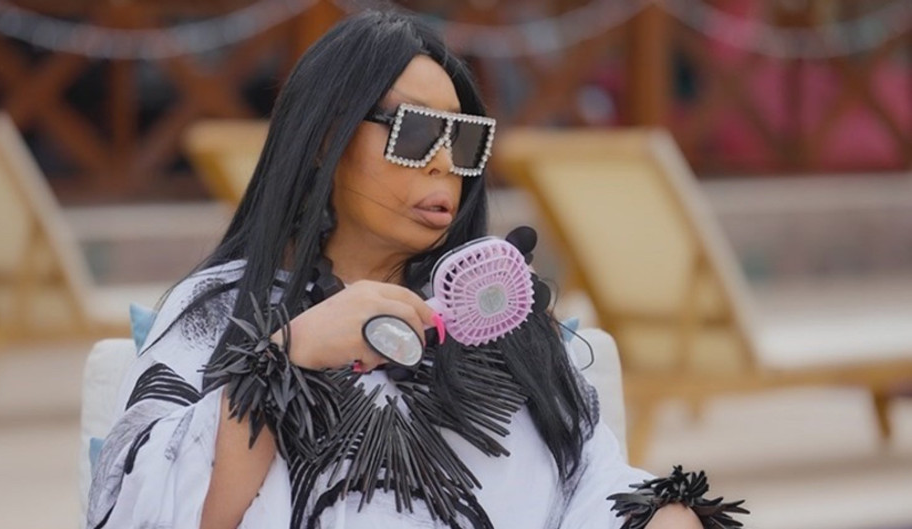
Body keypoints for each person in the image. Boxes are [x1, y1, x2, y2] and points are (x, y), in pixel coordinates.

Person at [87, 9, 744, 529]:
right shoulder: (220, 311)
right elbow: (149, 506)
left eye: (463, 140)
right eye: (415, 132)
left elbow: (590, 481)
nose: (444, 164)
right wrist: (289, 353)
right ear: (325, 139)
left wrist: (666, 515)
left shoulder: (500, 322)